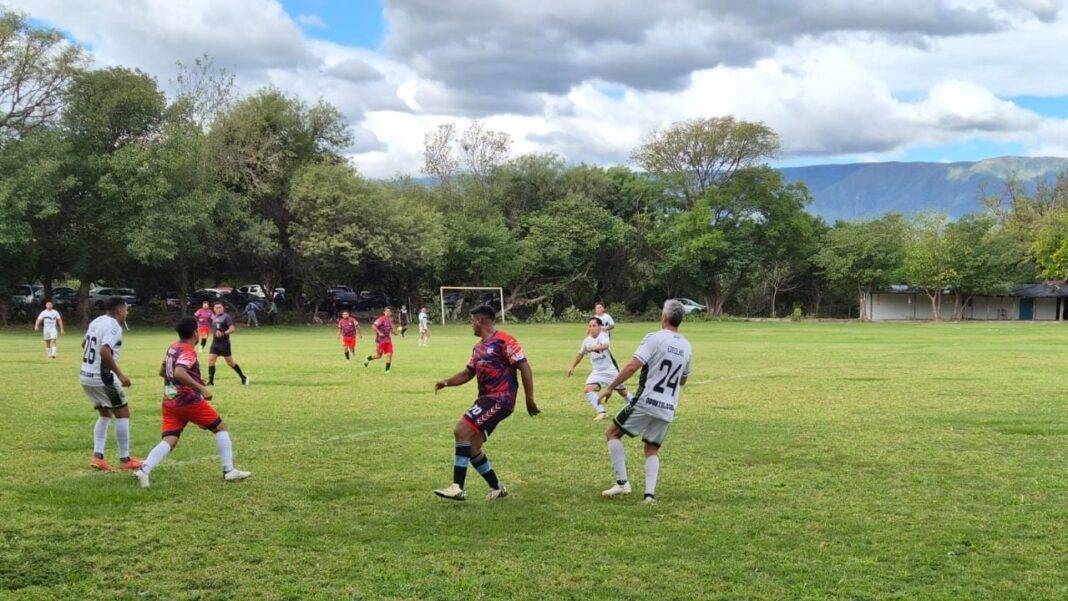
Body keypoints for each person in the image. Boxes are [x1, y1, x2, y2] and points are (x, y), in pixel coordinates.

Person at [433, 305, 540, 501]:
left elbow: (525, 367)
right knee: (472, 446)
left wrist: (529, 399)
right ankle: (497, 487)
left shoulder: (505, 341)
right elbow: (467, 373)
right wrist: (446, 382)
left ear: (480, 321)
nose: (471, 326)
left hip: (500, 398)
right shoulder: (478, 348)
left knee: (461, 431)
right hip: (485, 399)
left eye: (472, 321)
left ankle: (458, 487)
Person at [132, 316, 251, 488]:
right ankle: (229, 470)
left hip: (170, 401)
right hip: (188, 401)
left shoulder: (172, 347)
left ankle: (144, 470)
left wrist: (184, 380)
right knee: (220, 428)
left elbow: (162, 371)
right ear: (195, 333)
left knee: (170, 439)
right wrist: (202, 389)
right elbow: (180, 372)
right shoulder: (188, 350)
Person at [598, 300, 692, 504]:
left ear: (664, 318)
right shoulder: (686, 345)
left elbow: (633, 366)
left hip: (646, 400)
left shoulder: (654, 338)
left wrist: (611, 387)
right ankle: (649, 496)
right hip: (668, 406)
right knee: (652, 448)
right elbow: (683, 380)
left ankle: (623, 484)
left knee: (612, 433)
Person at [79, 296, 142, 471]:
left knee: (105, 414)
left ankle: (98, 457)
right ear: (120, 310)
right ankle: (125, 460)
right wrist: (120, 375)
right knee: (123, 413)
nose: (127, 313)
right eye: (127, 309)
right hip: (103, 378)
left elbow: (84, 343)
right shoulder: (114, 326)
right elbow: (104, 350)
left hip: (86, 376)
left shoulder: (97, 321)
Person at [567, 317, 633, 420]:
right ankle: (601, 412)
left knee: (622, 392)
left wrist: (593, 348)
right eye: (590, 326)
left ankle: (637, 407)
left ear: (599, 327)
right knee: (587, 389)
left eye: (594, 325)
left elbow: (605, 346)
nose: (592, 328)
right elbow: (580, 355)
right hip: (597, 372)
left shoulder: (603, 336)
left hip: (611, 370)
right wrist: (572, 367)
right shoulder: (586, 341)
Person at [207, 302, 249, 386]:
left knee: (230, 362)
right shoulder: (214, 318)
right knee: (211, 360)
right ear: (214, 309)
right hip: (215, 343)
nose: (218, 309)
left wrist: (223, 333)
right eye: (216, 308)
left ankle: (243, 377)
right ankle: (211, 382)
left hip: (224, 344)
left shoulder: (226, 317)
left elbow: (232, 329)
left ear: (223, 308)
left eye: (220, 307)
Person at [364, 307, 394, 372]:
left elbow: (391, 329)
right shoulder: (381, 319)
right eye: (386, 311)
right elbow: (373, 326)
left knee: (390, 354)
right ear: (384, 312)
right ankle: (368, 358)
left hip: (388, 340)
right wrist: (379, 332)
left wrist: (396, 332)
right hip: (380, 340)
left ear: (391, 313)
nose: (388, 313)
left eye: (389, 311)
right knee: (379, 355)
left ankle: (387, 370)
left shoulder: (391, 320)